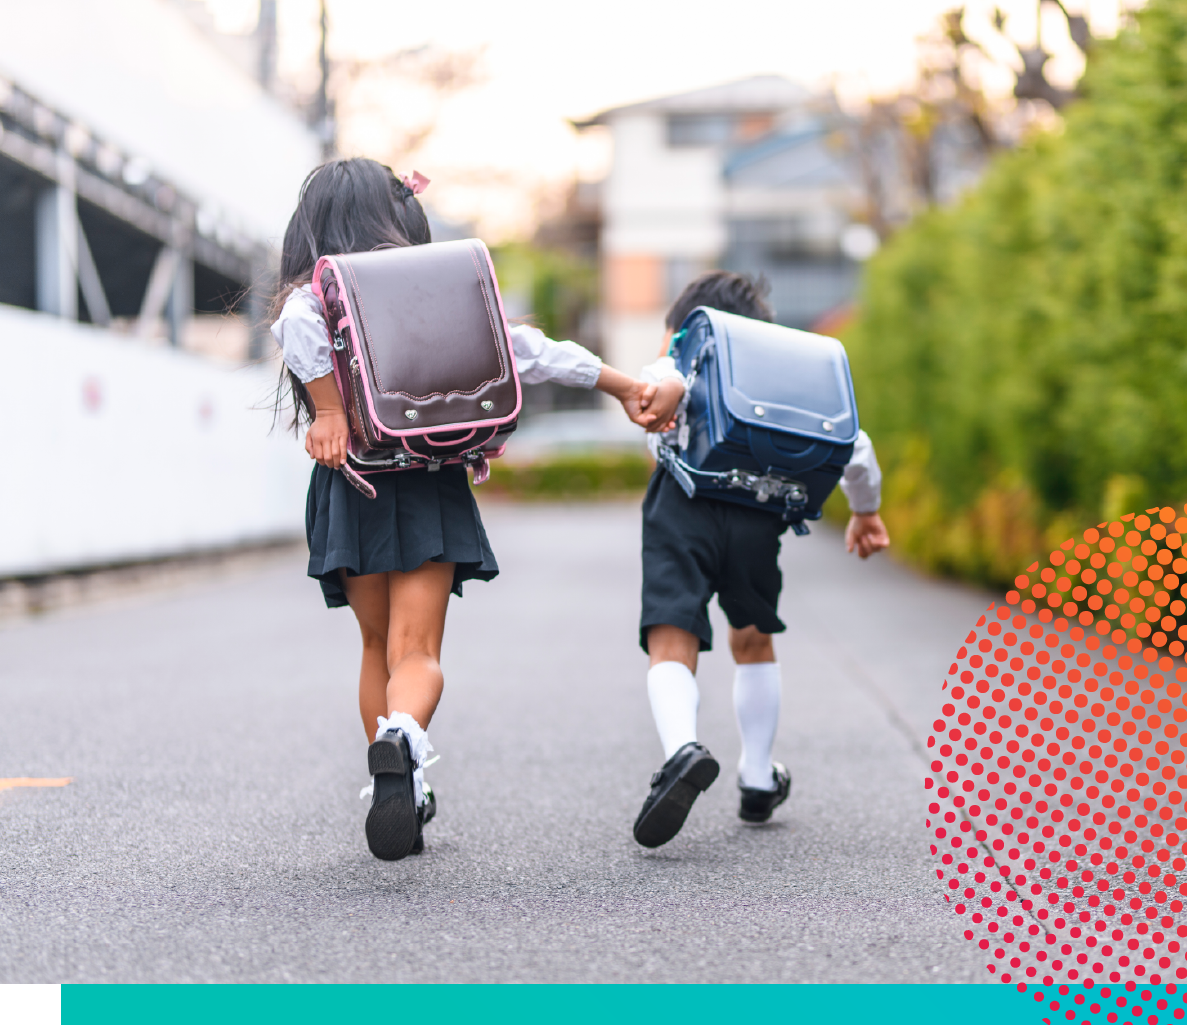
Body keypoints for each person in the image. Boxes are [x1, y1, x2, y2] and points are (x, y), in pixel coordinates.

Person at [269, 157, 668, 861]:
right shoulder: (441, 291)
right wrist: (621, 385)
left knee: (372, 646)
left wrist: (327, 411)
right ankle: (405, 743)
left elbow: (295, 327)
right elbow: (529, 352)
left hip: (352, 487)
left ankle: (395, 778)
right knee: (416, 652)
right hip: (430, 483)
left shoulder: (315, 294)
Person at [628, 271, 892, 848]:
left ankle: (681, 752)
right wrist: (866, 511)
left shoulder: (678, 357)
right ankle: (756, 775)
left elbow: (647, 401)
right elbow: (855, 447)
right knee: (753, 638)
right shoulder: (787, 380)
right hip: (758, 510)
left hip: (683, 504)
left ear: (687, 329)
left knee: (672, 632)